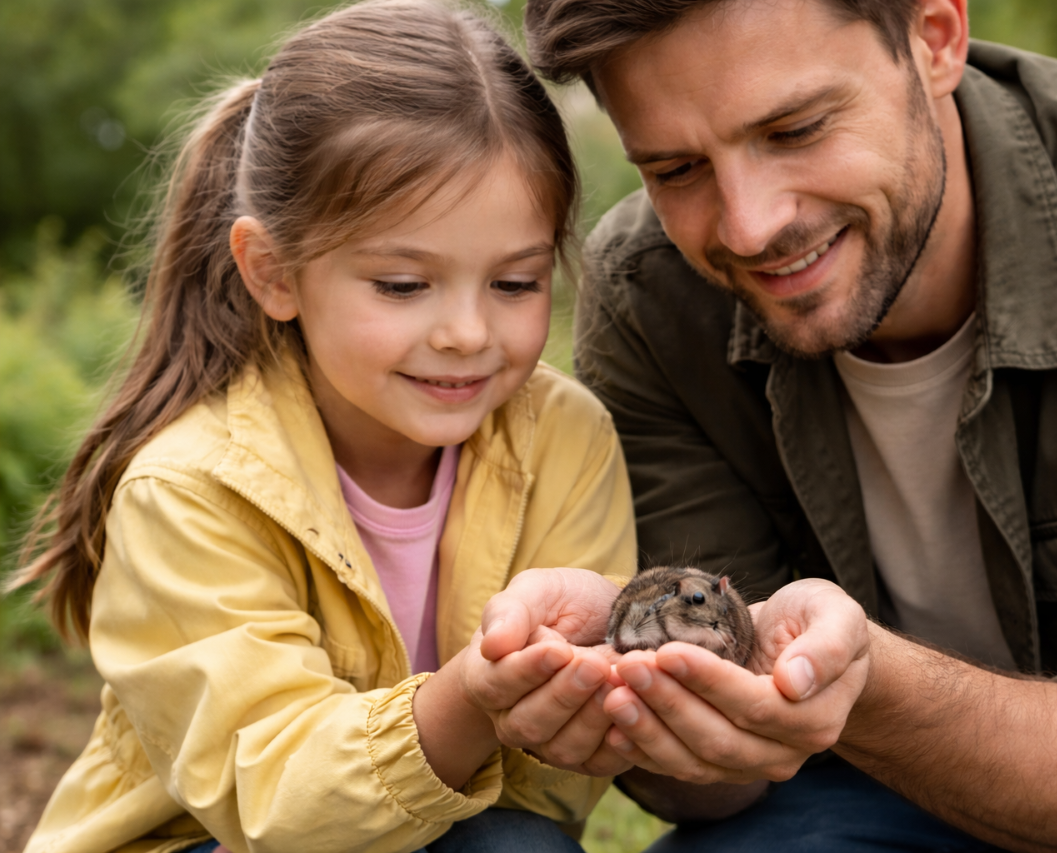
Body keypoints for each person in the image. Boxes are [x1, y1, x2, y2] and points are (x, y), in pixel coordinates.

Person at [481, 0, 1057, 850]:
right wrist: (632, 682)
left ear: (936, 37)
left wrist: (861, 679)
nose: (750, 225)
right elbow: (721, 791)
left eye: (794, 129)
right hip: (860, 789)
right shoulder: (651, 289)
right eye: (677, 169)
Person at [12, 2, 637, 852]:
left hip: (462, 831)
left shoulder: (565, 437)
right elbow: (274, 800)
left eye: (516, 283)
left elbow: (553, 789)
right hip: (199, 842)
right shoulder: (190, 487)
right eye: (404, 286)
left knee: (516, 843)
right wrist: (470, 697)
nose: (468, 333)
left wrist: (605, 645)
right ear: (274, 273)